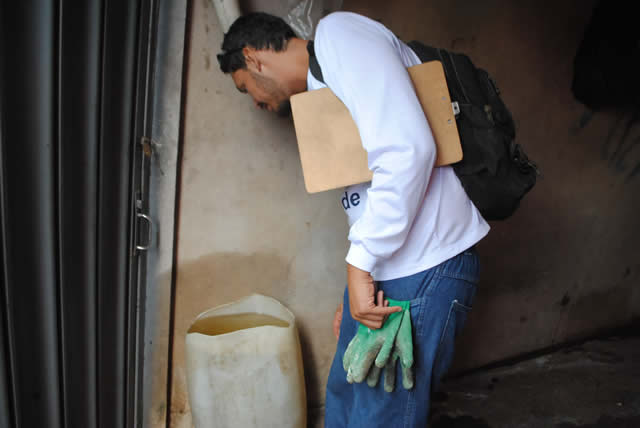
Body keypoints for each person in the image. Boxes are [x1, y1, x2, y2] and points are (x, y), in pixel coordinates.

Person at [217, 11, 490, 427]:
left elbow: (408, 150)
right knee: (345, 409)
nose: (255, 101)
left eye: (245, 87)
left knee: (377, 419)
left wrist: (360, 267)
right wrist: (357, 286)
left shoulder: (338, 35)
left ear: (253, 57)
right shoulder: (321, 89)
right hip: (389, 274)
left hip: (425, 265)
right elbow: (368, 195)